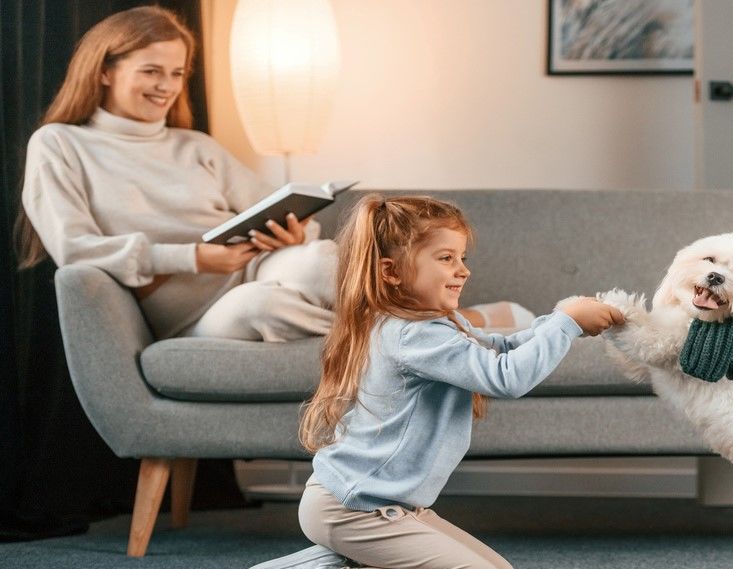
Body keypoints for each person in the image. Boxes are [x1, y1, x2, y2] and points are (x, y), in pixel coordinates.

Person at [18, 5, 527, 341]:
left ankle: (439, 333)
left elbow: (277, 209)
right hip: (187, 313)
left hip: (254, 267)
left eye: (177, 74)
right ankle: (465, 330)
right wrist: (195, 257)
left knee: (320, 257)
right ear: (105, 70)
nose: (167, 86)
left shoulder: (195, 146)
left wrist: (294, 230)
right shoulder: (61, 144)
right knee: (263, 307)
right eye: (150, 71)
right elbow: (75, 249)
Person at [230, 195, 624, 569]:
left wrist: (557, 321)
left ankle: (339, 556)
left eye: (461, 257)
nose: (463, 270)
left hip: (380, 507)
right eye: (446, 258)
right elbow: (505, 377)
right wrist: (565, 325)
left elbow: (499, 347)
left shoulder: (427, 325)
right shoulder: (413, 335)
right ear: (392, 272)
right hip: (352, 509)